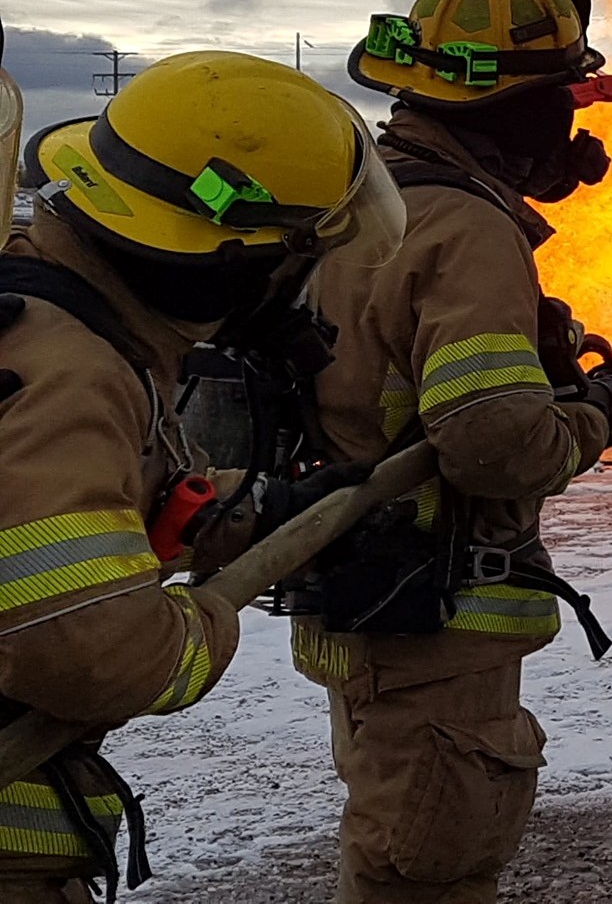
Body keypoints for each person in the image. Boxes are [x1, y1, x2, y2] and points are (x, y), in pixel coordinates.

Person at [291, 0, 612, 903]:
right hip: (436, 628)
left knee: (392, 852)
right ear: (516, 107)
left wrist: (544, 348)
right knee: (429, 871)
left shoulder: (365, 202)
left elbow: (388, 367)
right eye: (562, 97)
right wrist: (601, 411)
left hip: (370, 608)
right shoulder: (469, 230)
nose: (570, 124)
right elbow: (497, 444)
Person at [0, 51, 404, 903]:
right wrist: (205, 621)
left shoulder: (56, 317)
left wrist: (267, 512)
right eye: (301, 264)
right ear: (235, 262)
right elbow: (88, 650)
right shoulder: (76, 369)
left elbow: (86, 510)